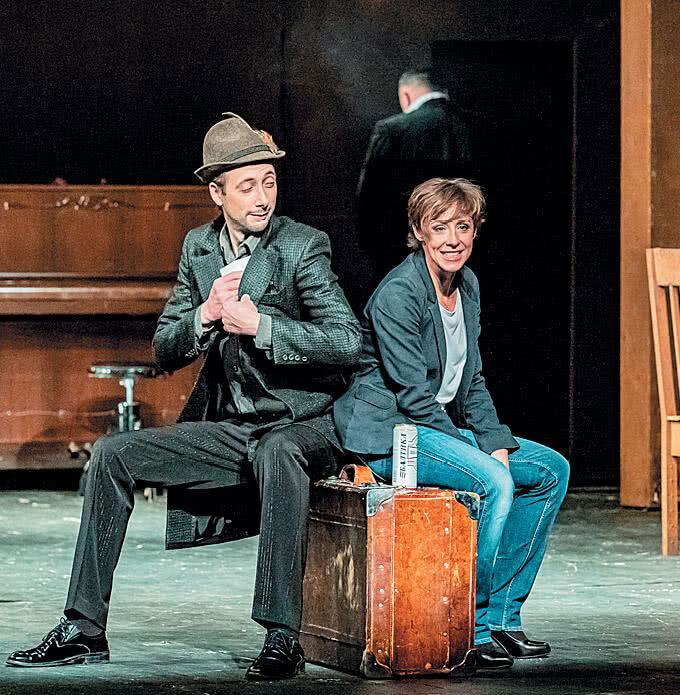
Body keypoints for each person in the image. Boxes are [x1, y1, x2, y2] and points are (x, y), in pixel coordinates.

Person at [6, 113, 362, 680]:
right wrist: (206, 314)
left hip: (305, 426)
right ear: (217, 193)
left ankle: (281, 637)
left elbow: (346, 341)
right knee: (112, 454)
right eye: (247, 186)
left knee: (278, 451)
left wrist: (263, 327)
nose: (263, 198)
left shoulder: (300, 246)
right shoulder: (199, 247)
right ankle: (83, 627)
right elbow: (166, 347)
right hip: (235, 431)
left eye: (269, 182)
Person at [334, 177, 569, 670]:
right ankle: (472, 627)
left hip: (435, 426)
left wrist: (494, 440)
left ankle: (502, 617)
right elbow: (414, 398)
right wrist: (477, 452)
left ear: (475, 230)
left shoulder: (468, 287)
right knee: (495, 481)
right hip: (391, 433)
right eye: (439, 227)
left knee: (551, 470)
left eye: (463, 227)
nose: (453, 239)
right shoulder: (399, 294)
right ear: (419, 231)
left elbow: (472, 380)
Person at [356, 68, 473, 281]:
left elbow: (371, 196)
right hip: (469, 249)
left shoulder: (392, 129)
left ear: (406, 96)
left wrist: (370, 248)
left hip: (403, 249)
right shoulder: (480, 126)